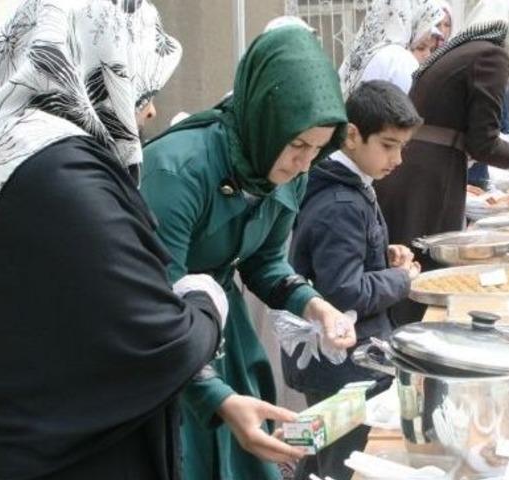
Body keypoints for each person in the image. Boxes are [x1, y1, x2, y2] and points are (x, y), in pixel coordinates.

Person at [0, 1, 229, 479]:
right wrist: (206, 301)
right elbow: (160, 342)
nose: (149, 109)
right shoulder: (61, 170)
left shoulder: (1, 144)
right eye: (143, 86)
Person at [140, 26, 355, 480]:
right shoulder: (179, 170)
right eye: (297, 145)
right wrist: (214, 397)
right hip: (162, 344)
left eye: (318, 150)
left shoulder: (288, 170)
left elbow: (265, 264)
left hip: (223, 331)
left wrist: (315, 306)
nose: (304, 164)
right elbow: (153, 304)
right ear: (265, 119)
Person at [285, 80, 423, 480]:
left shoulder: (350, 185)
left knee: (316, 448)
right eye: (388, 145)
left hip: (341, 357)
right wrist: (400, 279)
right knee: (343, 462)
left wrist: (383, 257)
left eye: (402, 147)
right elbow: (344, 291)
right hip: (342, 361)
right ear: (351, 135)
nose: (397, 159)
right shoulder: (341, 201)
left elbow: (346, 263)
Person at [374, 0, 509, 325]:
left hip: (411, 166)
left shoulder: (458, 51)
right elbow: (484, 141)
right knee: (426, 267)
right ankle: (417, 347)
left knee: (404, 257)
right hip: (431, 176)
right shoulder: (491, 56)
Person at [339, 0, 444, 96]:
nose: (428, 56)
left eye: (431, 49)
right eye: (420, 47)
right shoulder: (400, 60)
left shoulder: (370, 52)